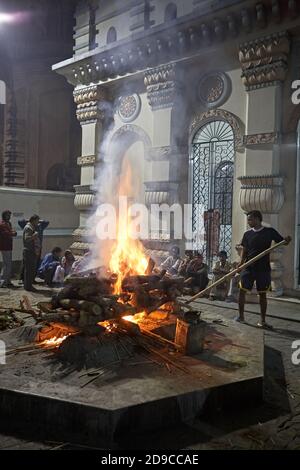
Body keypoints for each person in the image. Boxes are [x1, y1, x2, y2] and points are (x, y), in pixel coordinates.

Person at [237, 210, 291, 328]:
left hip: (263, 268)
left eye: (250, 219)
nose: (249, 222)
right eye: (248, 219)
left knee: (262, 294)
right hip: (249, 267)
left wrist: (286, 240)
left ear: (257, 219)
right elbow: (244, 251)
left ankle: (262, 321)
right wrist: (241, 264)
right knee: (242, 291)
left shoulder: (269, 232)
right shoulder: (247, 234)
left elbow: (282, 242)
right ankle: (241, 317)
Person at [23, 215, 41, 291]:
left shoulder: (31, 227)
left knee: (30, 269)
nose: (38, 223)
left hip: (31, 251)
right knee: (29, 270)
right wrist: (34, 236)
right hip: (29, 251)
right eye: (37, 221)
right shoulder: (28, 228)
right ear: (33, 220)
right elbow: (27, 239)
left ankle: (28, 285)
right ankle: (28, 286)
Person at [0, 210, 17, 288]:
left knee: (7, 264)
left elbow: (10, 231)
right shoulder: (2, 224)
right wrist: (13, 233)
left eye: (10, 215)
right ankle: (3, 281)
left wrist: (12, 232)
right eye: (8, 215)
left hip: (9, 246)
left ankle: (7, 280)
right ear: (4, 216)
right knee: (7, 264)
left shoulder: (8, 223)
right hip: (4, 246)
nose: (9, 217)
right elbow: (5, 233)